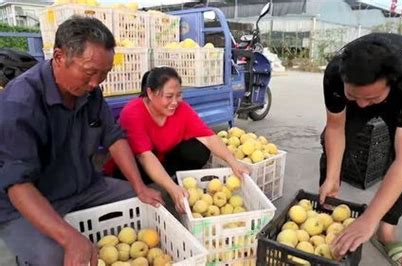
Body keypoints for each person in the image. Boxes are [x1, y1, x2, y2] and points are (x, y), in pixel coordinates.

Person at [0, 16, 163, 266]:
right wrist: (69, 239)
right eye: (89, 72)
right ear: (59, 57)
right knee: (55, 257)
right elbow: (18, 186)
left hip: (83, 187)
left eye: (104, 74)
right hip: (27, 202)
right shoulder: (20, 104)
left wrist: (139, 186)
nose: (96, 82)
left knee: (149, 202)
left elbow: (114, 137)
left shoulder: (90, 92)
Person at [319, 33, 402, 265]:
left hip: (397, 103)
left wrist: (369, 219)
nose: (361, 104)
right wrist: (332, 174)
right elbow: (335, 128)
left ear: (391, 82)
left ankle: (386, 231)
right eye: (353, 95)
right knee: (329, 154)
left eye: (370, 98)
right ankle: (324, 219)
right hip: (365, 92)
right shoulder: (334, 74)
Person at [104, 67, 248, 214]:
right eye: (168, 96)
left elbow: (209, 137)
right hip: (132, 168)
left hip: (162, 160)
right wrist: (172, 189)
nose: (175, 102)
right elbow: (144, 156)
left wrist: (234, 163)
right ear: (150, 93)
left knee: (198, 149)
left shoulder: (181, 109)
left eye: (179, 95)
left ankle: (175, 184)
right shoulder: (133, 112)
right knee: (129, 188)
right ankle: (168, 187)